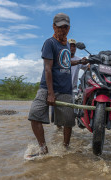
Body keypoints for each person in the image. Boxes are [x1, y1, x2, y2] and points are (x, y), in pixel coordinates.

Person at [27, 13, 75, 159]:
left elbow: (64, 63)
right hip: (47, 88)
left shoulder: (67, 44)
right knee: (35, 116)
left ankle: (65, 149)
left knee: (68, 122)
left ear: (69, 28)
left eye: (65, 27)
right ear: (54, 27)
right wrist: (50, 93)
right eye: (59, 27)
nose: (62, 30)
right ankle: (43, 148)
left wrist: (79, 62)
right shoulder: (49, 43)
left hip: (65, 88)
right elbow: (48, 68)